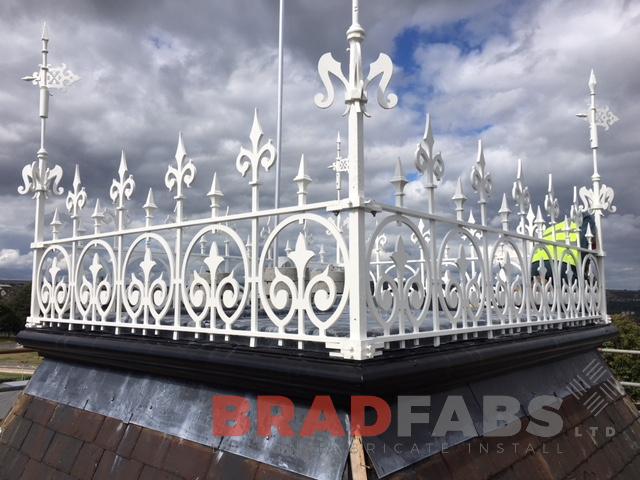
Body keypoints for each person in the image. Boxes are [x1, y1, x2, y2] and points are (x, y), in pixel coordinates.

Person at [530, 213, 596, 282]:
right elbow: (583, 248)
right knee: (588, 287)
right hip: (561, 264)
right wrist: (584, 273)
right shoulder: (586, 223)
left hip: (535, 264)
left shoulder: (555, 227)